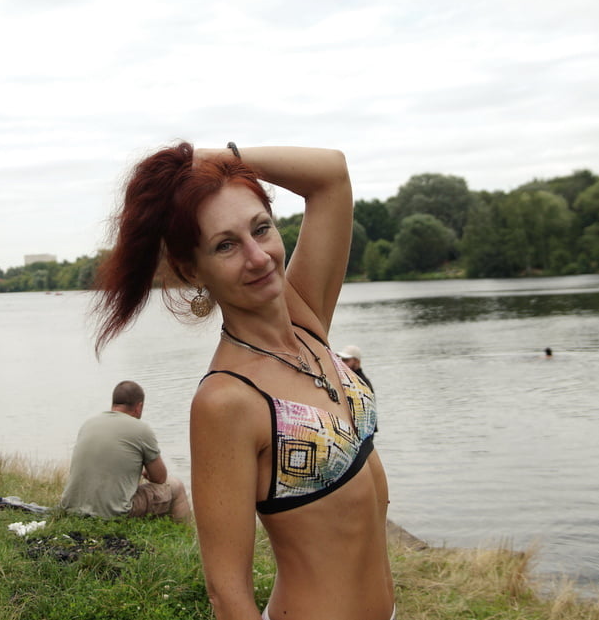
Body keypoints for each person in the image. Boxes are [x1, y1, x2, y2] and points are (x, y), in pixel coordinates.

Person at [93, 143, 393, 620]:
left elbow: (332, 176)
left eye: (261, 228)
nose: (259, 258)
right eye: (226, 245)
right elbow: (227, 595)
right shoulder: (226, 400)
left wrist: (215, 159)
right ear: (194, 270)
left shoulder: (307, 321)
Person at [60, 380, 191, 522]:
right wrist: (146, 474)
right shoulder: (141, 429)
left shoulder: (89, 423)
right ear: (139, 407)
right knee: (176, 487)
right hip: (114, 513)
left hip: (71, 509)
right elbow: (160, 478)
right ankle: (185, 535)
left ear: (113, 404)